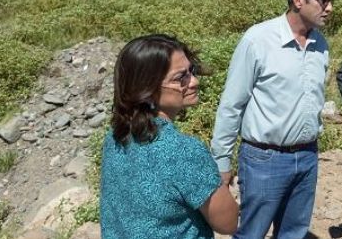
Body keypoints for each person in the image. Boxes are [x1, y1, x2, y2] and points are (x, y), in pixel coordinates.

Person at [210, 0, 332, 239]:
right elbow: (232, 104)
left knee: (293, 233)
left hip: (308, 156)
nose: (330, 8)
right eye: (323, 0)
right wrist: (222, 161)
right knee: (252, 233)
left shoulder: (320, 44)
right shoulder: (258, 39)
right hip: (264, 160)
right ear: (298, 0)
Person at [100, 34, 238, 239]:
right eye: (180, 77)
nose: (194, 81)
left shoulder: (115, 137)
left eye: (191, 71)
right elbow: (228, 223)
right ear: (146, 88)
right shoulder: (184, 151)